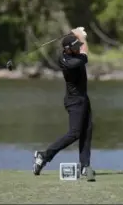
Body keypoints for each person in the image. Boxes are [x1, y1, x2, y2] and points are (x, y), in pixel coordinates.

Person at [32, 27, 96, 182]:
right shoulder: (69, 62)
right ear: (68, 50)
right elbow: (85, 54)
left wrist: (76, 35)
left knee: (87, 131)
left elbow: (79, 47)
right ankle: (44, 155)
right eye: (74, 47)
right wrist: (82, 36)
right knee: (74, 133)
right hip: (74, 101)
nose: (77, 49)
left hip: (83, 99)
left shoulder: (70, 53)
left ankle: (85, 166)